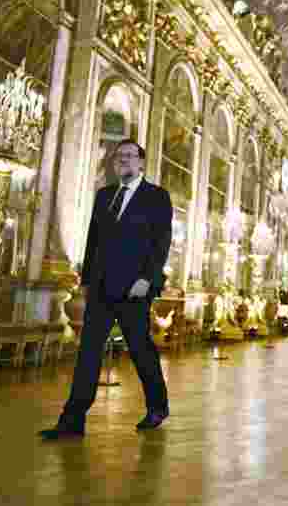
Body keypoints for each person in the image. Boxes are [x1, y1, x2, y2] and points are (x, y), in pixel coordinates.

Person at [40, 139, 173, 439]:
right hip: (100, 286)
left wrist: (148, 278)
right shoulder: (104, 196)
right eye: (118, 157)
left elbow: (161, 241)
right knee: (88, 352)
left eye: (129, 156)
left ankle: (157, 406)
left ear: (141, 163)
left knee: (141, 350)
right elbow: (93, 241)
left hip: (134, 289)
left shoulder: (157, 196)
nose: (123, 161)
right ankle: (73, 419)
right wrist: (86, 281)